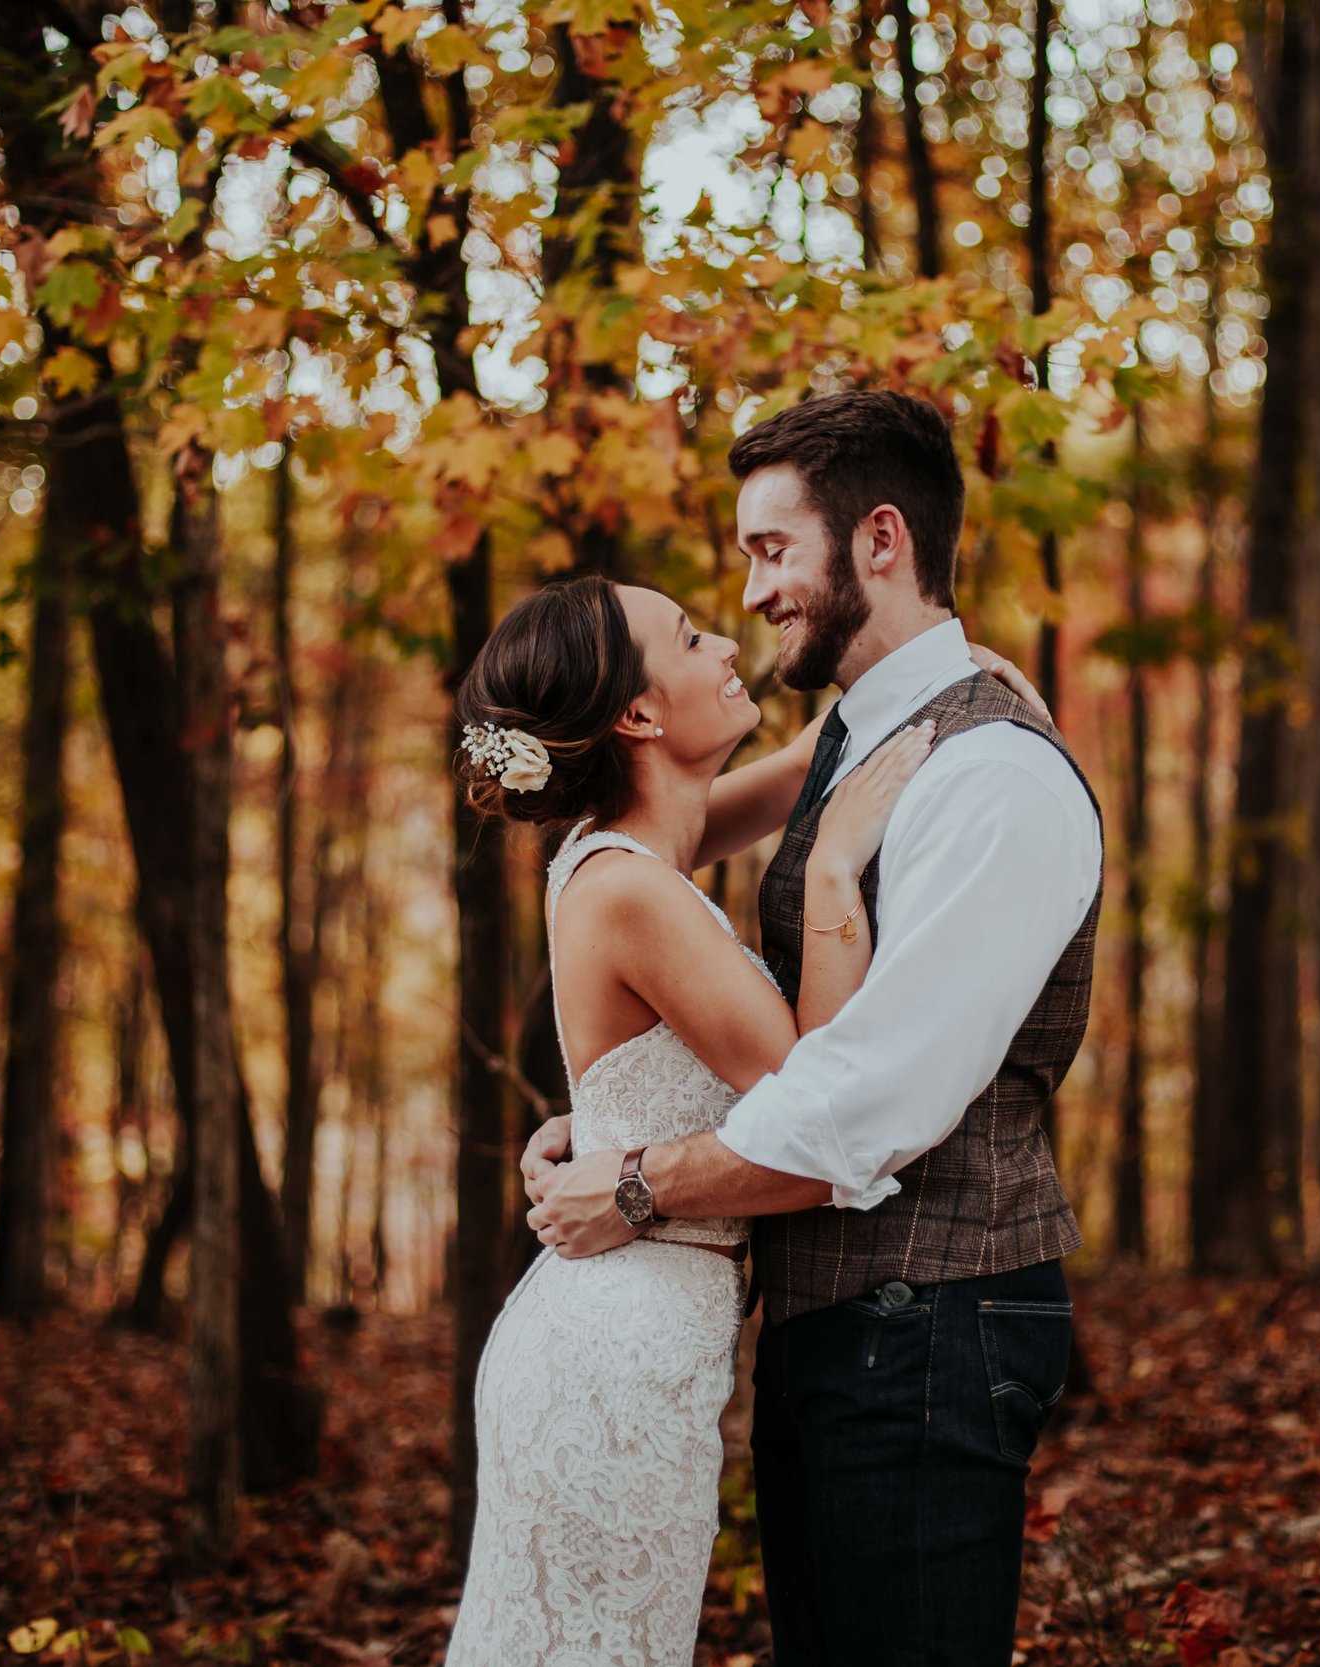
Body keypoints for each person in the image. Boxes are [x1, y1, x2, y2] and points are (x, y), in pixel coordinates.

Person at [526, 388, 1104, 1666]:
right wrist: (613, 1111)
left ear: (880, 540)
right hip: (839, 1333)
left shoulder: (986, 774)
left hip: (934, 1322)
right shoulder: (861, 742)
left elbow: (863, 1103)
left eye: (770, 550)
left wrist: (632, 1180)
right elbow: (668, 851)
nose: (753, 593)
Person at [442, 560, 1044, 1665]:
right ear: (637, 712)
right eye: (688, 637)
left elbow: (811, 761)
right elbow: (819, 1086)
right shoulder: (628, 885)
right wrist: (829, 879)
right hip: (610, 1358)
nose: (726, 644)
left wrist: (944, 684)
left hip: (645, 1338)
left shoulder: (640, 851)